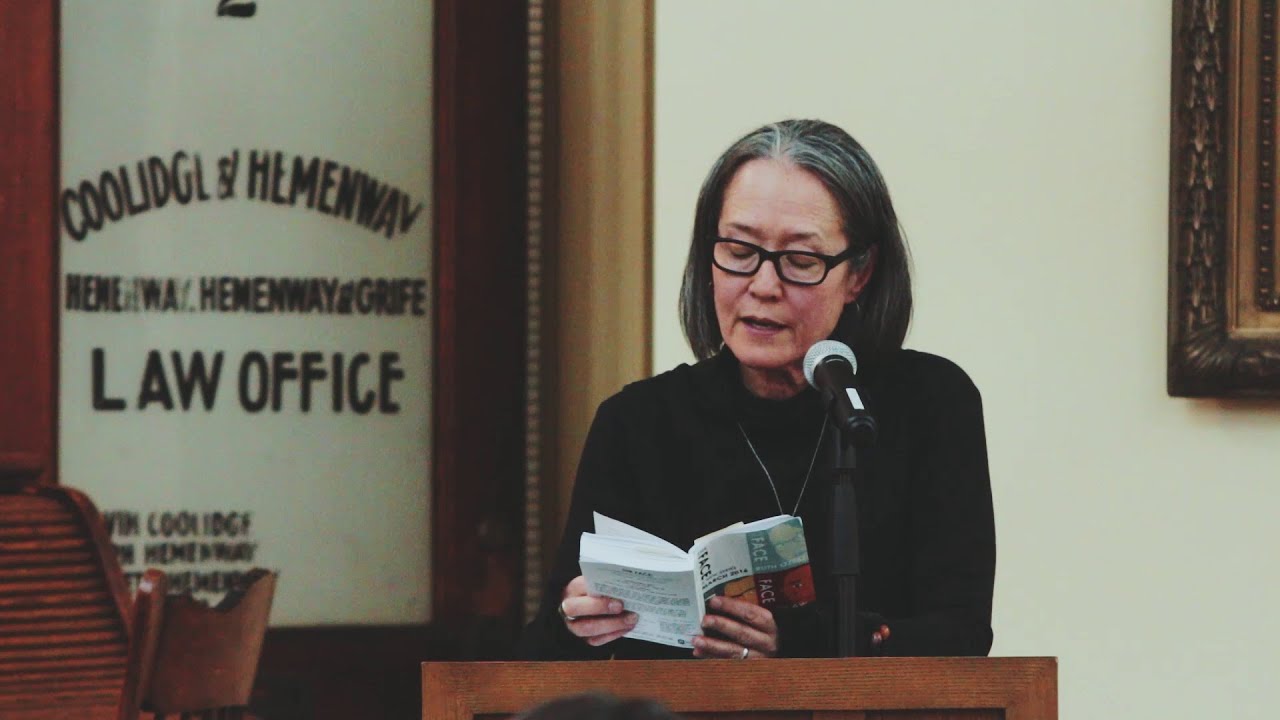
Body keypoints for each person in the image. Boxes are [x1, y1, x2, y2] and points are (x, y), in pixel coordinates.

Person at [517, 119, 995, 660]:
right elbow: (543, 657)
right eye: (740, 251)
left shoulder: (929, 404)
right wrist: (575, 622)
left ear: (859, 273)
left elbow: (962, 635)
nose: (763, 286)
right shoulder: (638, 423)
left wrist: (794, 642)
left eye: (800, 261)